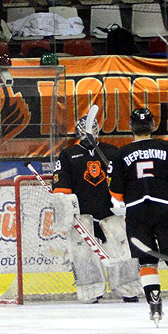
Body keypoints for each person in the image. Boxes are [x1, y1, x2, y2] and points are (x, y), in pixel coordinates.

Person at [109, 106, 168, 327]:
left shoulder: (121, 154)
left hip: (136, 211)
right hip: (165, 208)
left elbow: (116, 194)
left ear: (131, 127)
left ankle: (155, 308)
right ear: (153, 126)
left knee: (147, 261)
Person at [51, 111, 140, 304]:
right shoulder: (69, 154)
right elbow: (61, 188)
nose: (89, 131)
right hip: (82, 215)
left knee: (123, 248)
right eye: (85, 128)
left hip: (111, 212)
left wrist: (125, 203)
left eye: (92, 127)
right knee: (83, 253)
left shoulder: (112, 152)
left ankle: (128, 288)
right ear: (77, 131)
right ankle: (90, 290)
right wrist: (67, 212)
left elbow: (125, 181)